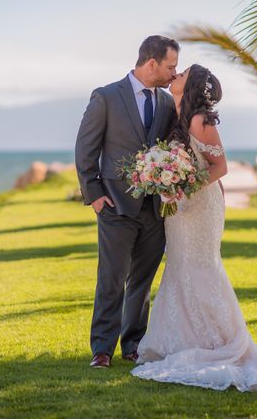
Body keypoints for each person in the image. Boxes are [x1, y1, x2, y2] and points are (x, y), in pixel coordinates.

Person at [131, 64, 257, 392]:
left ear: (190, 85)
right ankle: (180, 340)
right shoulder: (176, 116)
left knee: (201, 267)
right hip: (179, 209)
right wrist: (167, 180)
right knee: (179, 267)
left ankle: (217, 341)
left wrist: (184, 186)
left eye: (183, 72)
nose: (176, 74)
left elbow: (221, 167)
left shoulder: (200, 120)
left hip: (200, 207)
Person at [75, 35, 179, 368]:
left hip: (154, 209)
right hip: (115, 205)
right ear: (152, 63)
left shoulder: (166, 103)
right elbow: (85, 150)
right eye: (170, 66)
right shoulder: (106, 97)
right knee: (111, 279)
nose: (174, 73)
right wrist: (94, 196)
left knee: (141, 282)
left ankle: (132, 344)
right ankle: (101, 350)